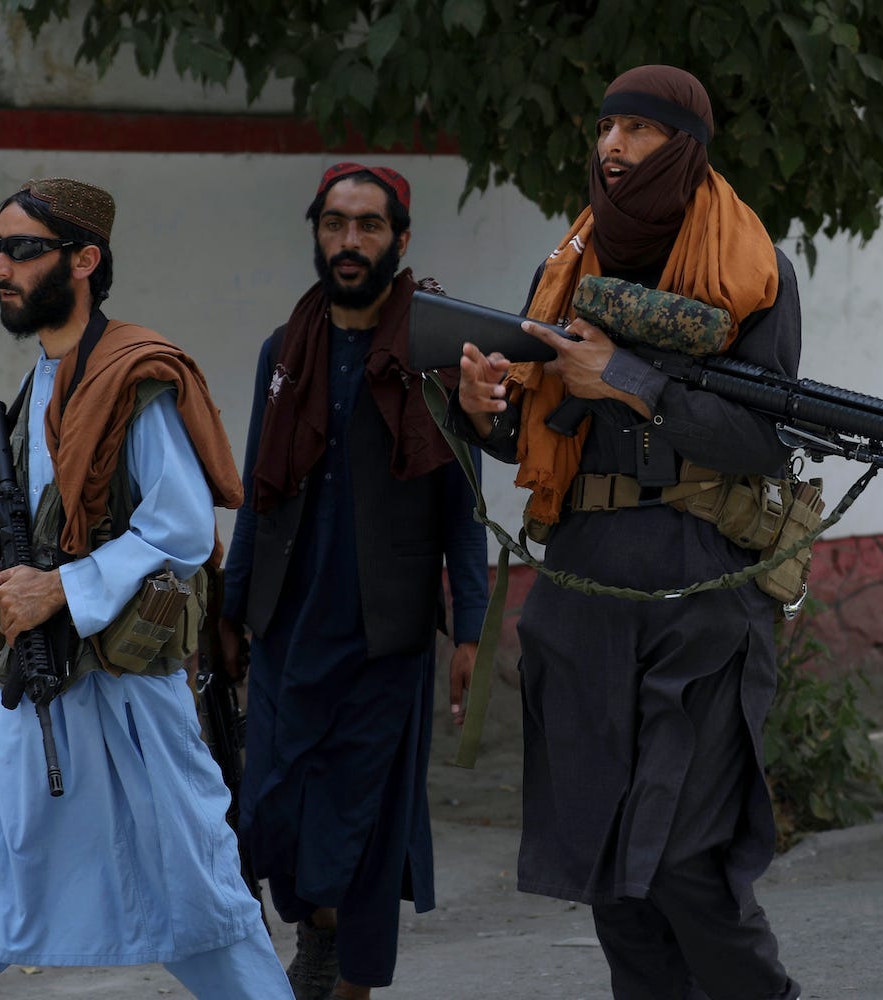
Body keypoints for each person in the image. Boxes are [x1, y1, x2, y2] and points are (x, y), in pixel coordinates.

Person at [453, 65, 802, 1000]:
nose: (612, 147)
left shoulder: (749, 272)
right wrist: (478, 404)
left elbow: (764, 440)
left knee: (687, 858)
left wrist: (632, 382)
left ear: (681, 146)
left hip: (701, 580)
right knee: (610, 862)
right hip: (586, 580)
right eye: (606, 127)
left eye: (638, 130)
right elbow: (525, 427)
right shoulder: (568, 264)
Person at [0, 179, 287, 998]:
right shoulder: (44, 378)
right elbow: (49, 514)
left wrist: (64, 587)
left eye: (22, 250)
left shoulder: (131, 377)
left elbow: (180, 529)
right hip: (41, 689)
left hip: (132, 697)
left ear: (84, 259)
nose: (1, 265)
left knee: (209, 916)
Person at [217, 163, 490, 999]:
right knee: (272, 807)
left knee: (363, 827)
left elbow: (464, 506)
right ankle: (320, 936)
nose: (349, 242)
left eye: (368, 226)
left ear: (399, 241)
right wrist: (230, 612)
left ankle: (352, 982)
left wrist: (470, 629)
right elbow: (261, 490)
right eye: (335, 224)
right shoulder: (283, 351)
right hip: (288, 626)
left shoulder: (436, 355)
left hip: (385, 634)